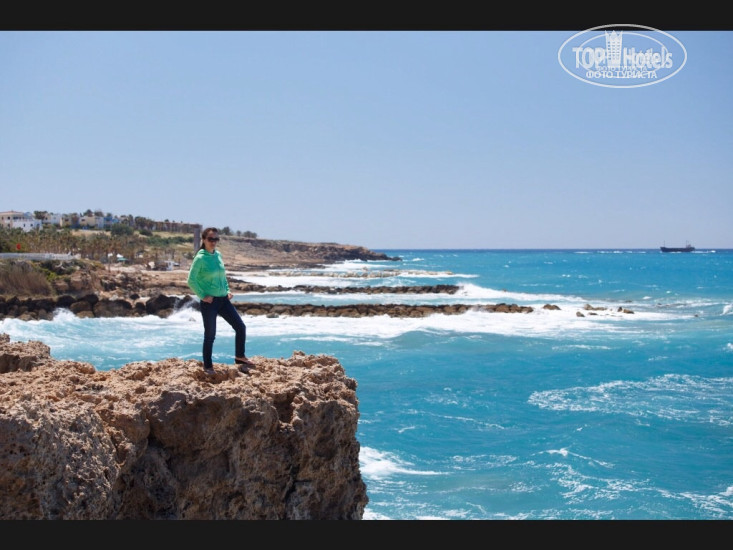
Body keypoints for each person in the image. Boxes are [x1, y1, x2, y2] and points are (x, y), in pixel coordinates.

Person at [187, 227, 254, 374]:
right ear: (204, 240)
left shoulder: (217, 255)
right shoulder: (200, 258)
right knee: (210, 335)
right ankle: (208, 366)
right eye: (210, 239)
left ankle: (240, 356)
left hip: (223, 300)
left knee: (240, 327)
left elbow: (222, 276)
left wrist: (227, 290)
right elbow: (191, 280)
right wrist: (203, 296)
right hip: (209, 303)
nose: (213, 242)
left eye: (216, 239)